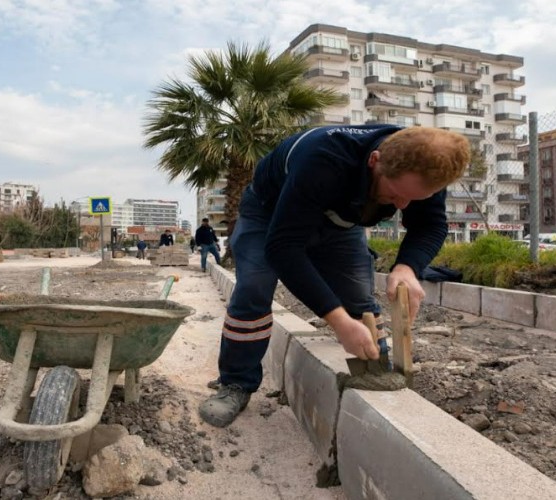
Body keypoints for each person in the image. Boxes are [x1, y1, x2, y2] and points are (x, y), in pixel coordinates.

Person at [198, 125, 469, 428]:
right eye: (394, 194)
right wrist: (338, 322)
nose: (402, 206)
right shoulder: (323, 158)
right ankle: (236, 383)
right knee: (254, 287)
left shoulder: (429, 166)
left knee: (358, 297)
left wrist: (407, 267)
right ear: (374, 161)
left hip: (341, 222)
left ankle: (372, 373)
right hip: (270, 213)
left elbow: (431, 225)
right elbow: (284, 249)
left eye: (413, 199)